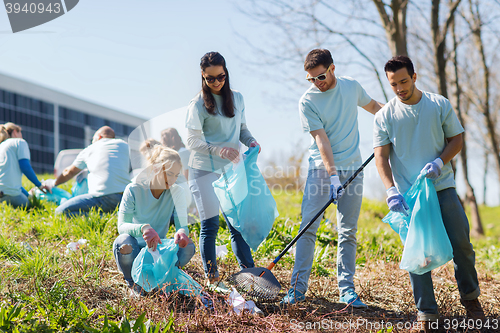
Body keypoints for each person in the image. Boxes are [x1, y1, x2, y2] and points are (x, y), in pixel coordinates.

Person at [373, 55, 484, 332]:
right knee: (416, 254)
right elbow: (381, 157)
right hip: (410, 197)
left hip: (442, 186)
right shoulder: (385, 115)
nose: (399, 88)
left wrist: (439, 162)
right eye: (393, 84)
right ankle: (427, 314)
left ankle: (471, 300)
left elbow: (456, 139)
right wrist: (390, 190)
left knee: (462, 244)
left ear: (414, 76)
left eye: (403, 81)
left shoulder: (438, 104)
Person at [281, 49, 384, 307]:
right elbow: (321, 140)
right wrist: (333, 176)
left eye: (321, 76)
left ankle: (347, 291)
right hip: (322, 171)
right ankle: (296, 290)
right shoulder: (307, 101)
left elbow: (374, 107)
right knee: (308, 228)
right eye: (312, 79)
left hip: (353, 168)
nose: (318, 82)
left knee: (348, 231)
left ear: (333, 68)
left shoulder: (351, 87)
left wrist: (398, 119)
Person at [185, 51, 260, 292]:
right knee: (210, 225)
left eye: (221, 77)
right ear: (203, 77)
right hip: (203, 170)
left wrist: (251, 142)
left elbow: (243, 129)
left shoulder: (237, 98)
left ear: (226, 73)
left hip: (231, 173)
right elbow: (191, 141)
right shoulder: (197, 104)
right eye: (210, 79)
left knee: (236, 225)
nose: (216, 83)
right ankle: (212, 278)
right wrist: (220, 151)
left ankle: (249, 273)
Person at [113, 144, 195, 295]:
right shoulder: (134, 189)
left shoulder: (177, 191)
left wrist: (182, 232)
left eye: (176, 175)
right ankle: (133, 283)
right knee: (123, 242)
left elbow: (182, 225)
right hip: (135, 250)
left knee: (189, 246)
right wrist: (143, 228)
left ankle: (160, 279)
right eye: (169, 173)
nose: (173, 180)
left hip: (157, 252)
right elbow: (122, 225)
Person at [46, 126, 130, 216]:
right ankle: (115, 216)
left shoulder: (90, 149)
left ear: (99, 137)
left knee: (59, 212)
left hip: (102, 197)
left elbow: (68, 172)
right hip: (125, 199)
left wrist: (53, 183)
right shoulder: (124, 145)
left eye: (93, 139)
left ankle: (104, 217)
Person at [0, 123, 50, 207]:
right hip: (12, 197)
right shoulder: (19, 142)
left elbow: (8, 183)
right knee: (35, 207)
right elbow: (25, 167)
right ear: (15, 132)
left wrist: (27, 194)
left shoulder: (1, 145)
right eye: (21, 133)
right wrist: (40, 185)